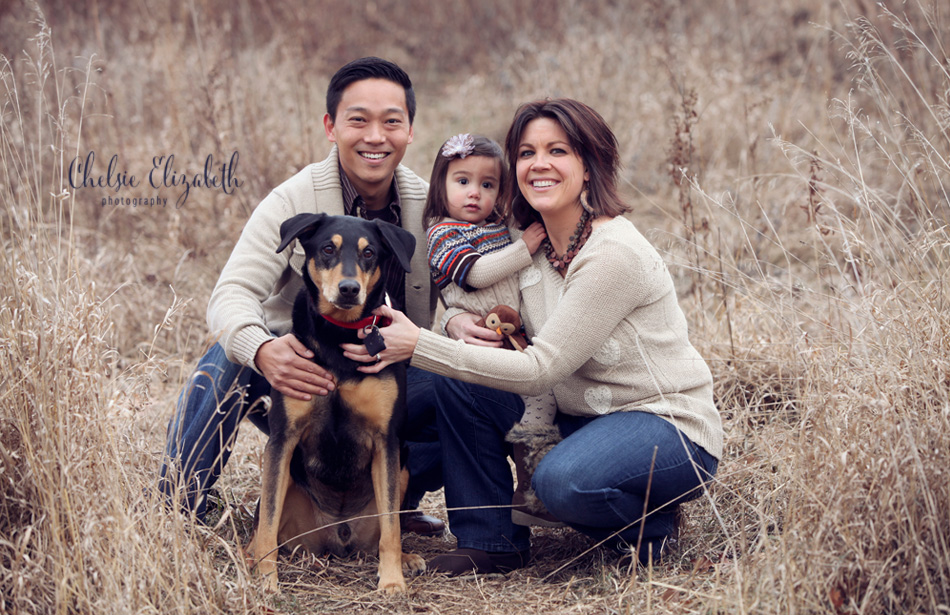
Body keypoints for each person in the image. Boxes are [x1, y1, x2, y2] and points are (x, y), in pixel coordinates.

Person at [342, 98, 723, 576]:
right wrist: (457, 324)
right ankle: (492, 540)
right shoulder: (529, 244)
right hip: (575, 417)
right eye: (526, 153)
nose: (539, 164)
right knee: (454, 383)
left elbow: (542, 367)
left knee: (562, 483)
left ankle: (648, 527)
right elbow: (482, 303)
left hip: (661, 423)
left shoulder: (613, 254)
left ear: (589, 166)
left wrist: (419, 343)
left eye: (558, 151)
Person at [158, 57, 445, 537]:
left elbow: (468, 283)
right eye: (358, 120)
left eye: (391, 121)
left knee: (460, 386)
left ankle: (390, 503)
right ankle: (175, 507)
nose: (375, 136)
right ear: (331, 126)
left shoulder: (432, 207)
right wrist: (264, 350)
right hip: (297, 375)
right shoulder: (292, 200)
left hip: (382, 372)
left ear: (410, 130)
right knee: (223, 360)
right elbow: (231, 294)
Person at [422, 133, 561, 526]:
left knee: (539, 405)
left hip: (515, 343)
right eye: (462, 181)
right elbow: (476, 274)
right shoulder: (442, 233)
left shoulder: (499, 228)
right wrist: (524, 249)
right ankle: (509, 505)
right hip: (480, 339)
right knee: (480, 400)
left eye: (488, 185)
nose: (474, 193)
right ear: (441, 185)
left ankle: (530, 487)